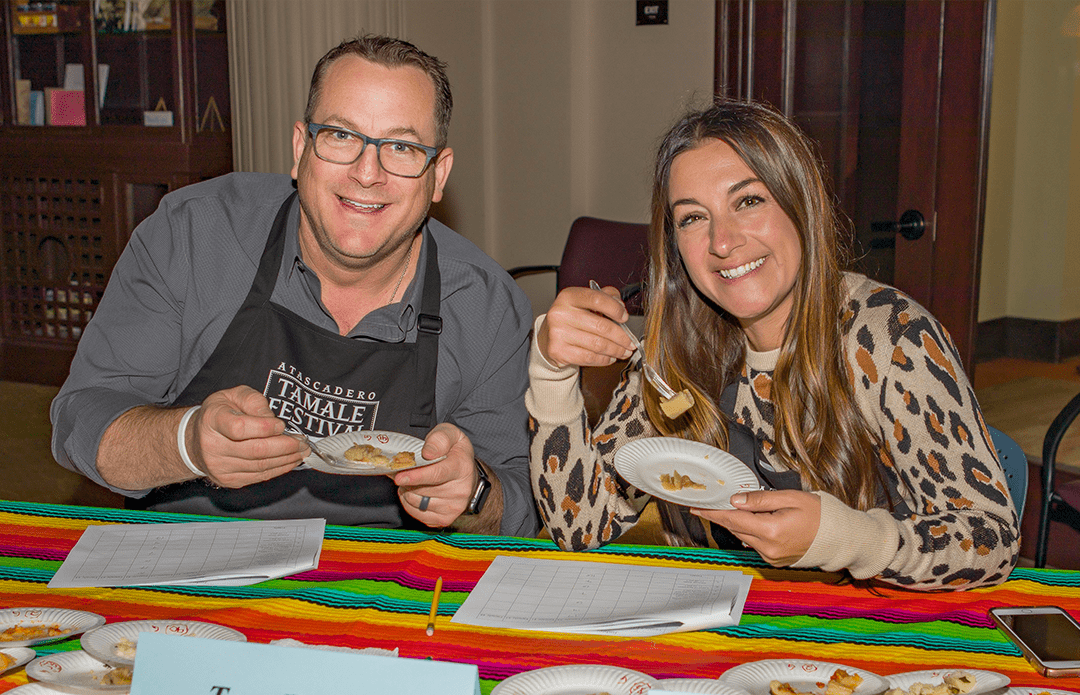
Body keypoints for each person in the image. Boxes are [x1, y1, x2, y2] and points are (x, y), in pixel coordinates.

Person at [51, 35, 539, 537]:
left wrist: (474, 492)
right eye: (341, 136)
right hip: (188, 568)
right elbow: (81, 422)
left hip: (383, 587)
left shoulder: (485, 307)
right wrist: (188, 442)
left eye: (401, 146)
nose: (367, 173)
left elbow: (522, 505)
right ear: (301, 147)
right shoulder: (196, 235)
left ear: (438, 175)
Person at [527, 99, 1018, 589]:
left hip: (866, 632)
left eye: (748, 201)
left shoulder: (889, 338)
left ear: (800, 204)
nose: (723, 241)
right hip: (710, 629)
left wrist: (849, 538)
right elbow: (578, 527)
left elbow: (992, 539)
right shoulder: (672, 351)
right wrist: (552, 371)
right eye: (693, 218)